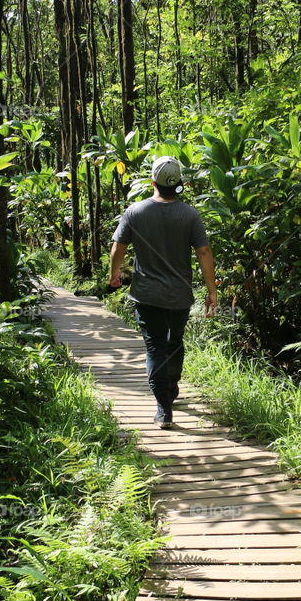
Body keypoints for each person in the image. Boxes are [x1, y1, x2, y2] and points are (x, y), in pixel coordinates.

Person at [109, 155, 217, 428]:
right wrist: (211, 291)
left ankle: (163, 407)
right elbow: (203, 252)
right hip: (179, 295)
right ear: (179, 182)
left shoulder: (136, 211)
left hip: (146, 294)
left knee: (155, 345)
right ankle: (170, 390)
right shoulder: (190, 214)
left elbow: (118, 247)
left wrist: (114, 274)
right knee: (175, 342)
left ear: (152, 181)